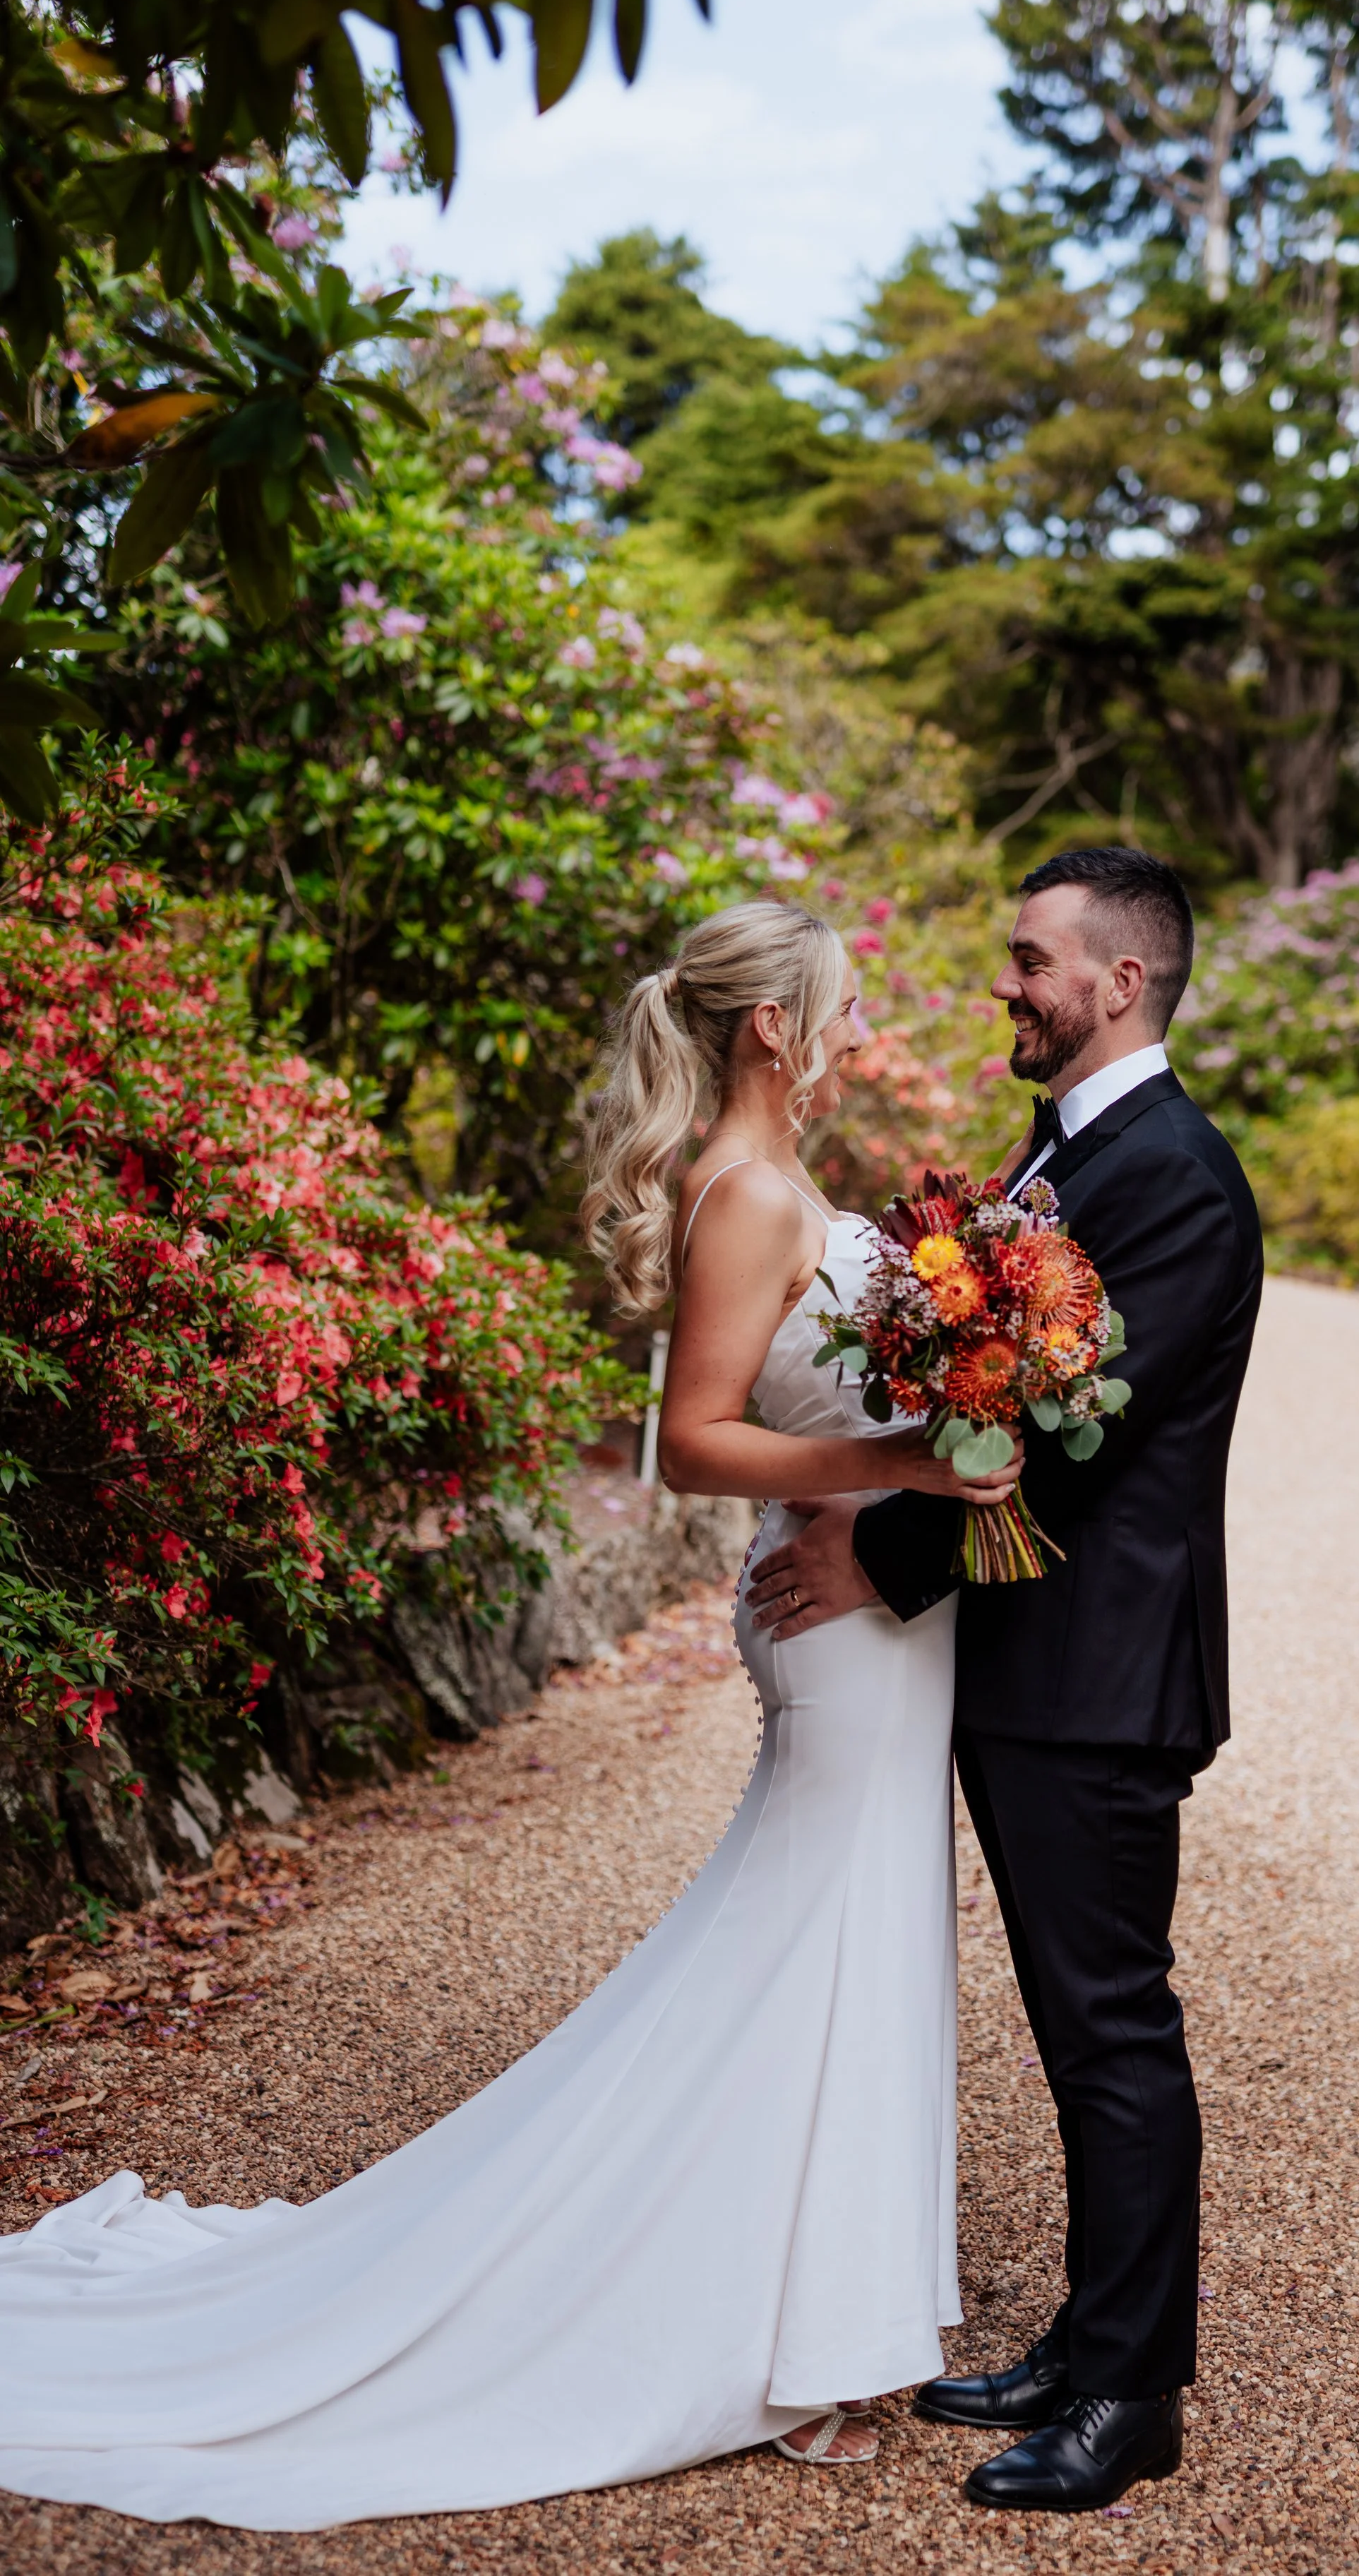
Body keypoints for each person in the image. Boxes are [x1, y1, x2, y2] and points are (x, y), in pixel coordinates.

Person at [0, 899, 1018, 2532]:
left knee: (836, 1940)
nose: (848, 1033)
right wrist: (901, 1469)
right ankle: (793, 2339)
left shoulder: (772, 1183)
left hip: (870, 1619)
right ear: (770, 1026)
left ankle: (820, 2316)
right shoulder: (751, 1195)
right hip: (840, 1630)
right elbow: (687, 1445)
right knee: (820, 1943)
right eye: (833, 1008)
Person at [747, 845, 1264, 2515]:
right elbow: (992, 1383)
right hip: (1027, 1659)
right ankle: (1082, 2335)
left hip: (1101, 1675)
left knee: (1112, 2029)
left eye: (1031, 961)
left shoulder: (1175, 1177)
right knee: (1067, 2025)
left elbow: (1078, 1437)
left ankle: (1131, 2396)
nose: (1008, 987)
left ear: (1119, 981)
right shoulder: (1062, 1150)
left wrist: (871, 1558)